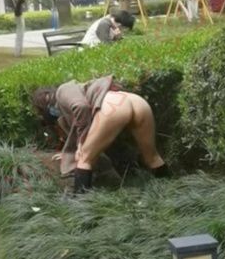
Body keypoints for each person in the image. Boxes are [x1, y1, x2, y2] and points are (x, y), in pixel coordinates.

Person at [32, 75, 169, 194]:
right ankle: (170, 189)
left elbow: (81, 107)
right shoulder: (73, 96)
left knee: (84, 159)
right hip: (137, 102)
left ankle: (80, 205)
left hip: (112, 105)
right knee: (152, 158)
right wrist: (69, 150)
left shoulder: (62, 90)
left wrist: (81, 143)